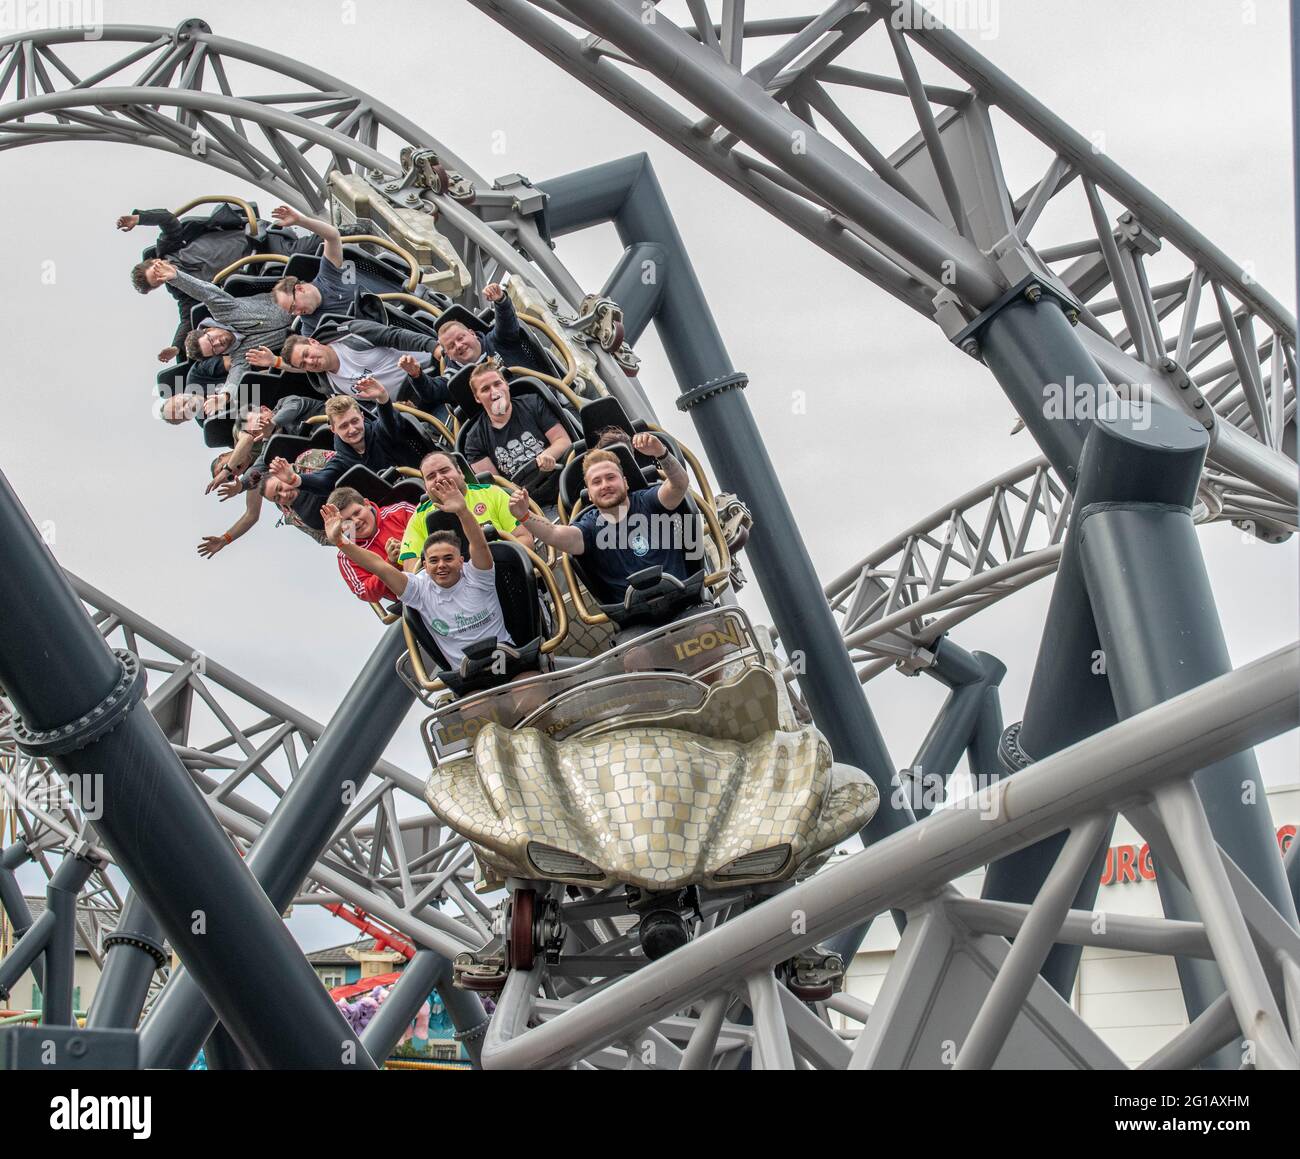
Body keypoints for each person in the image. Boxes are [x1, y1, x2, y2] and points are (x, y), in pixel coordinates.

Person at [323, 476, 517, 673]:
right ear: (425, 563)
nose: (356, 521)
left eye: (357, 513)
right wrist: (341, 541)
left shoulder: (476, 573)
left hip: (504, 658)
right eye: (434, 561)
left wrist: (462, 511)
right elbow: (378, 570)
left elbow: (477, 543)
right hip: (420, 597)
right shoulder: (418, 588)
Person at [507, 433, 699, 613]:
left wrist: (661, 453)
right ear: (589, 494)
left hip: (684, 601)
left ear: (625, 482)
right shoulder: (588, 526)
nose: (605, 485)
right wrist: (524, 515)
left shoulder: (649, 500)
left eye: (610, 478)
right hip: (636, 619)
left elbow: (679, 485)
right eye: (596, 482)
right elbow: (554, 534)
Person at [123, 203, 257, 361]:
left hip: (249, 237)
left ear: (155, 260)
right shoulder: (180, 288)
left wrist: (138, 219)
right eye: (157, 281)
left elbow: (167, 219)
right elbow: (187, 318)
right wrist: (176, 346)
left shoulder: (171, 245)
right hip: (254, 267)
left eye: (156, 270)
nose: (160, 276)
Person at [152, 259, 291, 398]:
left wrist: (176, 277)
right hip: (303, 331)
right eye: (214, 349)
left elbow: (204, 292)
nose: (218, 343)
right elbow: (234, 378)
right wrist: (225, 396)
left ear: (209, 330)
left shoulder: (224, 311)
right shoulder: (240, 356)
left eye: (211, 340)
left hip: (295, 300)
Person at [266, 378, 423, 498]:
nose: (352, 429)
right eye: (343, 426)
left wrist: (383, 399)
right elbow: (324, 480)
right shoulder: (342, 460)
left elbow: (389, 422)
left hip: (424, 479)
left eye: (354, 421)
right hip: (397, 500)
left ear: (362, 417)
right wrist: (295, 479)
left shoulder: (380, 430)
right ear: (333, 429)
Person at [461, 362, 571, 510]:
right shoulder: (474, 440)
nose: (495, 392)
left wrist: (547, 455)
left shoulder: (533, 403)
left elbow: (563, 441)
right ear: (477, 398)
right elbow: (496, 487)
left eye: (497, 384)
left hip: (562, 476)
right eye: (485, 389)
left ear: (506, 384)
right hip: (527, 501)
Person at [398, 450, 533, 570]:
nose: (439, 478)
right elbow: (411, 567)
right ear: (426, 487)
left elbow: (525, 539)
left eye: (444, 471)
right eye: (431, 476)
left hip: (503, 572)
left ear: (460, 473)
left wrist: (487, 565)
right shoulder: (419, 515)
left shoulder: (492, 493)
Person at [280, 331, 444, 409]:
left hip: (431, 371)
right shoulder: (332, 389)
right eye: (304, 364)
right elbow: (366, 409)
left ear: (313, 342)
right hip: (413, 404)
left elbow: (396, 336)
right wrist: (394, 409)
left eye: (307, 354)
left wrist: (434, 348)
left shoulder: (350, 337)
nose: (310, 362)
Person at [269, 206, 357, 334]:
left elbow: (332, 236)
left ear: (299, 289)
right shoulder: (311, 328)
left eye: (294, 306)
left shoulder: (328, 274)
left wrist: (300, 220)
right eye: (292, 312)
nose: (298, 313)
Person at [435, 281, 551, 376]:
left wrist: (500, 301)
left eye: (460, 338)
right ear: (447, 354)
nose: (458, 345)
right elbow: (435, 390)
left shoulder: (497, 341)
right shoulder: (454, 377)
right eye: (451, 346)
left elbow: (507, 325)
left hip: (535, 395)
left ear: (472, 333)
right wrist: (418, 376)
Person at [324, 485, 415, 603]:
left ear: (367, 504)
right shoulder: (346, 557)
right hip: (409, 599)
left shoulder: (400, 511)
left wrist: (407, 547)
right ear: (341, 528)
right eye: (347, 521)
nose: (355, 522)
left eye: (357, 513)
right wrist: (390, 563)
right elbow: (366, 592)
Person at [197, 453, 264, 559]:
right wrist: (224, 539)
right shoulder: (253, 476)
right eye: (231, 477)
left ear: (222, 456)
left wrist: (229, 470)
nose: (231, 472)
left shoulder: (241, 439)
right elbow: (252, 514)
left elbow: (246, 442)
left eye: (223, 469)